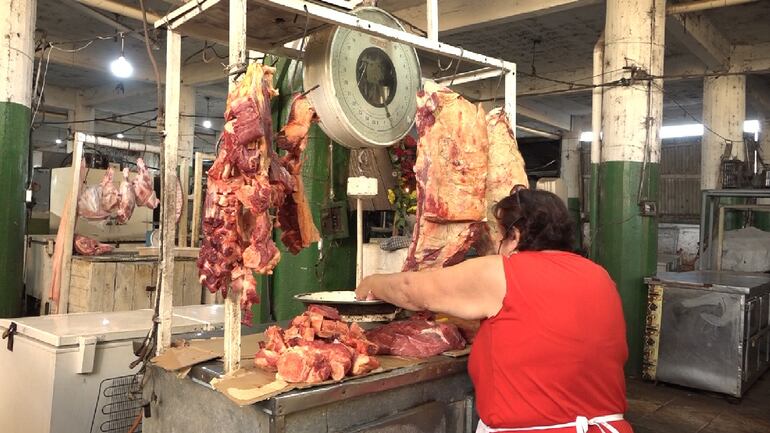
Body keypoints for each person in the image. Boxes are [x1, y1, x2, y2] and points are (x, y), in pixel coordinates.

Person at [355, 186, 632, 433]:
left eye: (500, 237)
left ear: (516, 234)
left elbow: (409, 290)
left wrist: (372, 282)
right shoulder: (599, 276)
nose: (498, 248)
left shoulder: (505, 271)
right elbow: (552, 333)